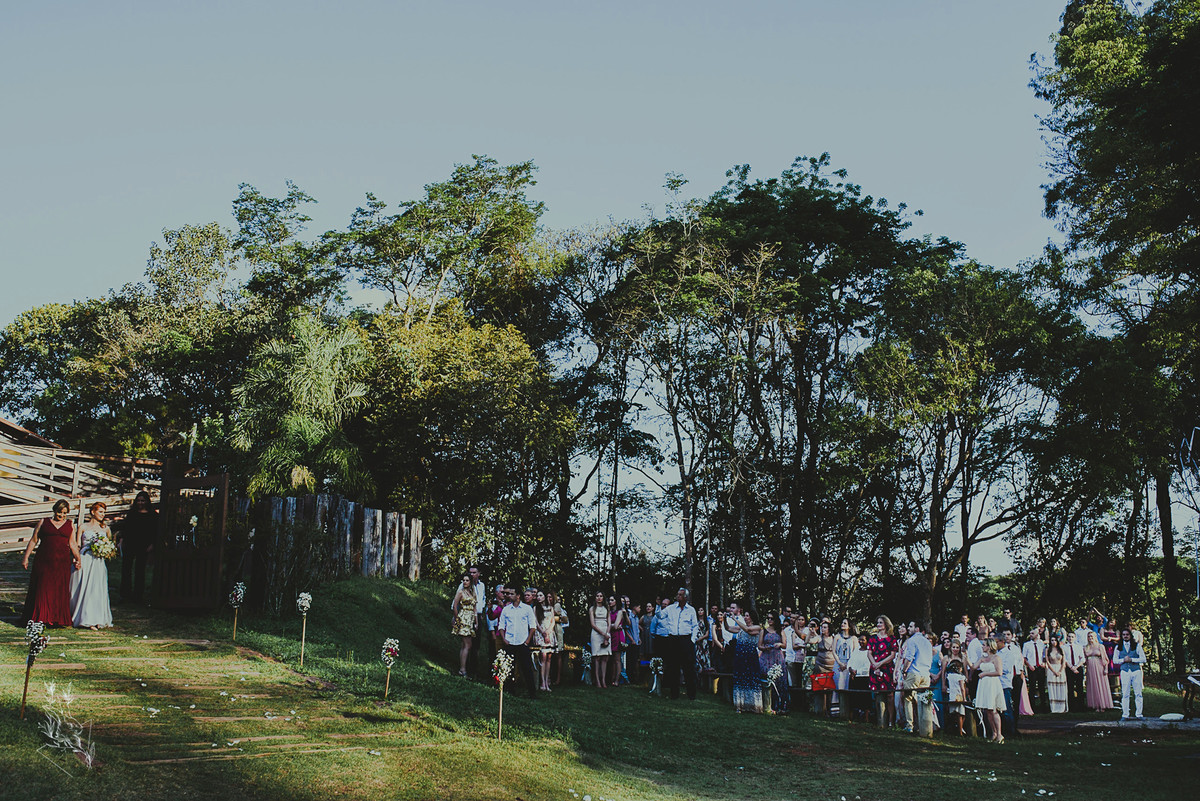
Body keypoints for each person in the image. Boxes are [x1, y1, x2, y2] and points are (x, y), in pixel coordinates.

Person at [22, 499, 81, 626]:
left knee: (59, 588)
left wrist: (78, 558)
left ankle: (56, 618)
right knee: (43, 588)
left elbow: (73, 544)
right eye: (60, 513)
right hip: (44, 560)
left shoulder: (70, 524)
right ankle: (40, 617)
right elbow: (33, 540)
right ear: (55, 511)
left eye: (65, 513)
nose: (62, 516)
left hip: (62, 562)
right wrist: (26, 557)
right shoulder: (44, 522)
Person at [70, 501, 114, 630]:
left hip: (98, 561)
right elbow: (78, 544)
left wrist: (105, 550)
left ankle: (96, 618)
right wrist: (76, 558)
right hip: (86, 558)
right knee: (83, 587)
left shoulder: (105, 529)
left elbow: (110, 545)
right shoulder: (83, 527)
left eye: (104, 512)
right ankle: (84, 617)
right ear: (93, 512)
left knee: (96, 588)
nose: (103, 514)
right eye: (100, 511)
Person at [114, 491, 158, 603]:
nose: (140, 503)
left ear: (147, 501)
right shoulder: (132, 513)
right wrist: (122, 540)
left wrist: (152, 545)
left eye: (142, 500)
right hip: (130, 544)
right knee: (126, 569)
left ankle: (138, 595)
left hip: (144, 545)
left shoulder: (153, 515)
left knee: (140, 570)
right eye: (138, 500)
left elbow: (156, 532)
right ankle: (125, 594)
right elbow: (126, 528)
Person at [657, 587, 700, 700]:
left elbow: (695, 626)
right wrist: (658, 606)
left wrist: (692, 640)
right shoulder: (670, 608)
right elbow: (660, 616)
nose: (678, 596)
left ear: (685, 597)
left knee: (689, 668)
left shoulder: (691, 610)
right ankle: (674, 694)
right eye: (677, 594)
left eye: (680, 595)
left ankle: (691, 694)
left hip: (686, 640)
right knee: (673, 667)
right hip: (673, 640)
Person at [497, 587, 539, 699]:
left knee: (527, 669)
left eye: (511, 593)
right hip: (510, 642)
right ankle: (509, 691)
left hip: (522, 642)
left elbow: (533, 626)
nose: (508, 595)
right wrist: (504, 639)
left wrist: (527, 641)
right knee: (509, 668)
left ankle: (532, 693)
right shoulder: (506, 609)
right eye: (508, 593)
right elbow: (501, 625)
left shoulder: (526, 609)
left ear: (518, 595)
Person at [899, 621, 933, 733]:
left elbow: (910, 657)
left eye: (911, 626)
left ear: (917, 629)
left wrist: (904, 670)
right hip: (926, 674)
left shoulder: (912, 640)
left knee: (908, 698)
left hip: (914, 673)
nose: (908, 628)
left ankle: (910, 725)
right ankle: (924, 725)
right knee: (923, 700)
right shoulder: (928, 643)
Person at [867, 615, 898, 728]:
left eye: (881, 622)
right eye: (878, 622)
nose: (878, 624)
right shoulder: (873, 638)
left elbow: (892, 654)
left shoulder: (892, 638)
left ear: (886, 624)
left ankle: (891, 720)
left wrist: (880, 663)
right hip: (875, 668)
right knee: (878, 694)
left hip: (887, 669)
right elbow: (869, 653)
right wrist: (874, 664)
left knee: (890, 695)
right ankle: (880, 720)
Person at [729, 607, 763, 713]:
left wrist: (735, 619)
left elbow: (748, 630)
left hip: (750, 657)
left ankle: (753, 705)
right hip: (740, 657)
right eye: (745, 615)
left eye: (747, 615)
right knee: (740, 679)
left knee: (750, 679)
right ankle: (740, 705)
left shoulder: (757, 627)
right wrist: (725, 619)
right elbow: (728, 628)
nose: (745, 617)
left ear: (752, 617)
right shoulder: (741, 628)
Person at [974, 637, 1006, 743]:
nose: (982, 647)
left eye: (984, 645)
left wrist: (985, 674)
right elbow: (974, 667)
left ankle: (1000, 734)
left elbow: (999, 672)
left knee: (993, 710)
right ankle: (993, 732)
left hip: (992, 683)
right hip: (984, 684)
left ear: (989, 646)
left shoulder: (996, 658)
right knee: (987, 711)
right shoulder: (983, 658)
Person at [1113, 627, 1146, 719]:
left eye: (1127, 635)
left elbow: (1143, 658)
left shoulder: (1136, 645)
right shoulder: (1118, 647)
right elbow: (1115, 660)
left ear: (1130, 635)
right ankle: (1125, 714)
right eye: (1123, 635)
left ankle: (1139, 714)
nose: (1125, 636)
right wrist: (1123, 660)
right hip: (1125, 671)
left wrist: (1132, 659)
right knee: (1125, 693)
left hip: (1136, 671)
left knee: (1138, 693)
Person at [998, 629, 1025, 738]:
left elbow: (1019, 661)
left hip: (1015, 676)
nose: (1006, 636)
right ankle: (1007, 727)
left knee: (1015, 701)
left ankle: (1015, 726)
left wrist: (1021, 672)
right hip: (1005, 679)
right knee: (1006, 703)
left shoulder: (1015, 648)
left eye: (1008, 634)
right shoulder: (998, 652)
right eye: (1004, 634)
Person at [759, 613, 787, 713]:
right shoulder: (764, 631)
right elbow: (759, 645)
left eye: (772, 618)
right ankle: (766, 704)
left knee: (779, 680)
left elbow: (785, 645)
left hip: (777, 657)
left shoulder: (780, 631)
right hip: (766, 657)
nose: (770, 620)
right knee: (766, 678)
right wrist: (765, 648)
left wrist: (779, 644)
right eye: (768, 618)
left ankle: (779, 705)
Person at [450, 574, 477, 677]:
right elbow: (455, 606)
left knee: (465, 645)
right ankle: (463, 669)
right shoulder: (460, 592)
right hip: (463, 618)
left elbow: (475, 608)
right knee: (467, 644)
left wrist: (476, 621)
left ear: (470, 581)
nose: (465, 582)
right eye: (463, 580)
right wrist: (457, 619)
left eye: (467, 580)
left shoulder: (472, 592)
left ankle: (462, 668)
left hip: (470, 619)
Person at [1083, 630, 1113, 711]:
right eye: (1089, 637)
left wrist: (1106, 669)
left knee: (1100, 684)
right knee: (1093, 685)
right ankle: (1095, 705)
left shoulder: (1100, 646)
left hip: (1099, 666)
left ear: (1095, 637)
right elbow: (1084, 659)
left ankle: (1102, 705)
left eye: (1092, 636)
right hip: (1090, 667)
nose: (1090, 638)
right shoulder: (1086, 647)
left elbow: (1106, 659)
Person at [846, 633, 872, 721]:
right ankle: (851, 717)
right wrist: (850, 669)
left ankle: (866, 718)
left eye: (863, 640)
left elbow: (868, 666)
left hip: (863, 677)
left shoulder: (869, 652)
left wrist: (857, 672)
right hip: (853, 677)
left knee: (865, 699)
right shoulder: (856, 650)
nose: (860, 642)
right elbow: (850, 661)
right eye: (859, 640)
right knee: (852, 698)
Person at [588, 591, 611, 688]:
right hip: (596, 633)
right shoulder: (592, 609)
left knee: (605, 657)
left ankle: (603, 679)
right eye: (597, 596)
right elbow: (592, 624)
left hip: (606, 631)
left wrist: (607, 634)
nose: (599, 598)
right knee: (597, 657)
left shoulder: (607, 608)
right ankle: (597, 680)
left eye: (601, 596)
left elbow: (609, 622)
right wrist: (602, 634)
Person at [534, 590, 556, 692]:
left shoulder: (551, 608)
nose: (538, 597)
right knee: (542, 657)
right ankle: (542, 682)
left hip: (549, 633)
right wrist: (543, 632)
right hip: (540, 634)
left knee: (549, 658)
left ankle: (547, 681)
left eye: (540, 595)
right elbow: (536, 623)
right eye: (537, 596)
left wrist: (548, 632)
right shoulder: (535, 608)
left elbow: (553, 622)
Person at [833, 619, 856, 713]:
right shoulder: (837, 637)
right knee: (838, 685)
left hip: (849, 664)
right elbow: (833, 651)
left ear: (849, 626)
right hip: (838, 663)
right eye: (842, 623)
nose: (842, 624)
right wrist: (839, 663)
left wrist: (847, 664)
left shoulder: (853, 638)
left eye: (845, 623)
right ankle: (836, 710)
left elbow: (855, 652)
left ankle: (846, 710)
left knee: (847, 685)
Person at [1022, 629, 1047, 712]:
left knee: (1041, 687)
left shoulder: (1041, 644)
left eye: (1032, 633)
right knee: (1032, 687)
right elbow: (1024, 657)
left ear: (1037, 634)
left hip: (1040, 667)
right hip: (1032, 667)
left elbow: (1044, 655)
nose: (1031, 635)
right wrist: (1029, 665)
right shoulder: (1026, 645)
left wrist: (1043, 663)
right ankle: (1032, 706)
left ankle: (1043, 706)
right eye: (1030, 633)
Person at [944, 658, 968, 736]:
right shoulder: (960, 677)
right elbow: (962, 688)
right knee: (961, 714)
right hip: (959, 696)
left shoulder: (949, 676)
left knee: (953, 713)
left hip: (952, 696)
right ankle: (960, 731)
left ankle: (953, 728)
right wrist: (964, 698)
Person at [1063, 632, 1085, 712]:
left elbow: (1082, 658)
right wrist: (1072, 667)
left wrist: (1076, 667)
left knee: (1080, 687)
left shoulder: (1079, 647)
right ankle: (1071, 707)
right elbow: (1064, 659)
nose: (1070, 638)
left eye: (1072, 637)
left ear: (1075, 638)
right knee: (1070, 687)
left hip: (1078, 667)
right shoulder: (1064, 647)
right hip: (1069, 668)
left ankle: (1081, 707)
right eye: (1069, 636)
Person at [1045, 637, 1068, 713]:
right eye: (1052, 640)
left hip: (1060, 669)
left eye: (1055, 640)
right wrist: (1054, 671)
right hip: (1052, 669)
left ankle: (1062, 707)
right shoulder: (1048, 650)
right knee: (1053, 688)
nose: (1053, 642)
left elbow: (1064, 661)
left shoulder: (1061, 649)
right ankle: (1054, 708)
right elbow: (1047, 662)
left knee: (1061, 687)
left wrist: (1060, 671)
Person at [607, 595, 626, 686]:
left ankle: (617, 680)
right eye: (609, 600)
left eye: (612, 600)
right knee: (611, 659)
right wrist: (613, 626)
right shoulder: (608, 612)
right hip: (610, 635)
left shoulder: (620, 612)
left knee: (617, 659)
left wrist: (610, 626)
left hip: (617, 636)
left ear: (616, 601)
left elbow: (614, 626)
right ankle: (611, 678)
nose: (610, 602)